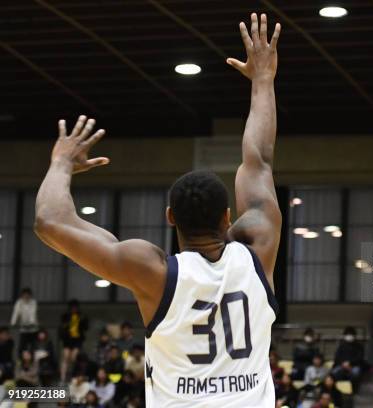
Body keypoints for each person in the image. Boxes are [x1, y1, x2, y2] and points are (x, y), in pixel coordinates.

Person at [33, 12, 282, 408]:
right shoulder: (260, 246)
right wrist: (264, 81)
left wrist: (61, 163)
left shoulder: (153, 272)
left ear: (170, 217)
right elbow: (259, 159)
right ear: (228, 216)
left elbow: (50, 222)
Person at [59, 299, 89, 383]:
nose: (74, 309)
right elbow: (61, 328)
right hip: (67, 339)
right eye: (72, 307)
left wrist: (83, 321)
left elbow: (86, 328)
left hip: (77, 340)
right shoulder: (65, 316)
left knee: (73, 357)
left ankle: (72, 374)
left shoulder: (81, 316)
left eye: (75, 307)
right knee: (65, 357)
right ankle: (62, 378)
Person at [10, 288, 38, 352]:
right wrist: (13, 323)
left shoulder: (33, 302)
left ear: (30, 295)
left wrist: (32, 323)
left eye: (28, 295)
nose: (26, 296)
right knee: (22, 347)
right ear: (22, 295)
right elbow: (15, 313)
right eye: (24, 295)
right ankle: (21, 360)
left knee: (33, 346)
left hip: (33, 328)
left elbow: (32, 313)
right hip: (23, 328)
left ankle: (33, 360)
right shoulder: (19, 302)